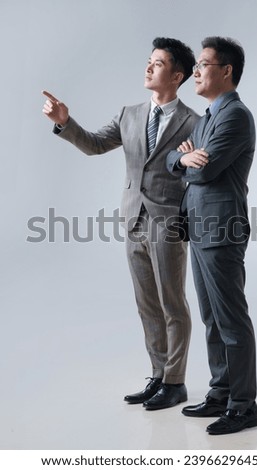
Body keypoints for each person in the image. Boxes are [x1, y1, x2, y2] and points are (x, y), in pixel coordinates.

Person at [42, 37, 200, 410]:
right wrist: (65, 123)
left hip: (169, 224)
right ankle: (159, 376)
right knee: (147, 305)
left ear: (177, 75)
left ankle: (176, 382)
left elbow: (200, 172)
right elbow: (95, 144)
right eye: (148, 61)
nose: (148, 68)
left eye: (157, 63)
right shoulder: (129, 114)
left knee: (172, 305)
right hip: (133, 221)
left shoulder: (194, 122)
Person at [167, 36, 257, 434]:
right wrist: (184, 155)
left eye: (203, 64)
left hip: (222, 229)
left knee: (230, 320)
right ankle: (221, 392)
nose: (196, 72)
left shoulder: (235, 116)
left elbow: (204, 171)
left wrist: (189, 159)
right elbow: (177, 156)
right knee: (211, 319)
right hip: (200, 228)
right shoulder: (206, 119)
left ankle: (243, 405)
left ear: (226, 71)